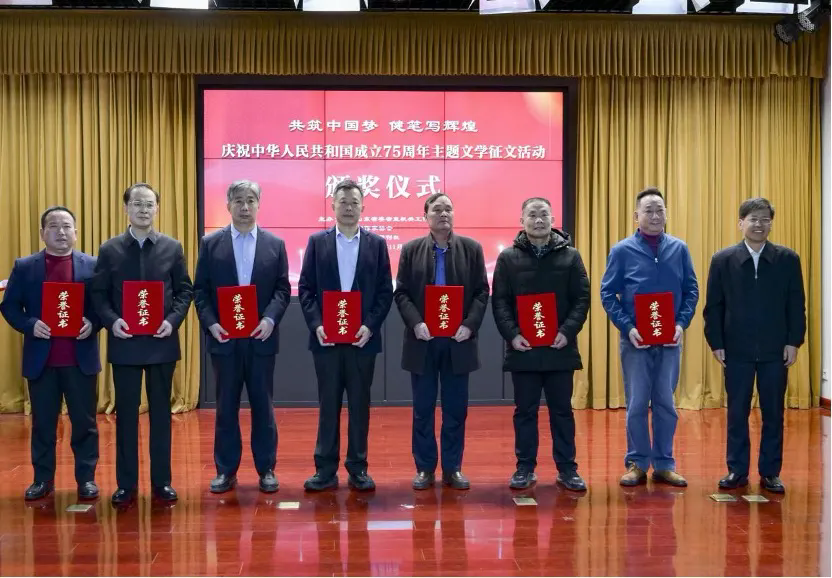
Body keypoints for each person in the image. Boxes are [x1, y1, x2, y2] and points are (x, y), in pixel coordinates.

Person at [91, 183, 193, 505]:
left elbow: (184, 291)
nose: (144, 209)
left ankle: (162, 482)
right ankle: (126, 485)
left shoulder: (172, 247)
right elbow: (99, 294)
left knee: (161, 416)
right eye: (137, 204)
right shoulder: (109, 249)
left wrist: (172, 321)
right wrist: (112, 321)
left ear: (157, 208)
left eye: (149, 204)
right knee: (126, 417)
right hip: (125, 344)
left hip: (162, 344)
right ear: (126, 209)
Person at [194, 180, 291, 494]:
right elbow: (200, 291)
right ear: (228, 205)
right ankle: (226, 471)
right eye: (238, 201)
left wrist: (270, 319)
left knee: (263, 407)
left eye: (251, 200)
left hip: (261, 339)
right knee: (226, 408)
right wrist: (211, 324)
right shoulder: (211, 243)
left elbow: (282, 289)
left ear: (259, 204)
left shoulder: (275, 244)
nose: (245, 207)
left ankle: (267, 469)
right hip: (225, 339)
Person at [703, 197, 805, 494]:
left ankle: (770, 472)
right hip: (736, 349)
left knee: (774, 412)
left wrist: (794, 341)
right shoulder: (723, 260)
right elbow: (714, 306)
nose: (759, 224)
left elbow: (796, 304)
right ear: (741, 223)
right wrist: (716, 342)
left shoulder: (787, 259)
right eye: (753, 219)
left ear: (771, 224)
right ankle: (736, 470)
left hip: (776, 350)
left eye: (765, 219)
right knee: (737, 412)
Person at [297, 179, 393, 492]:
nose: (349, 208)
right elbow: (306, 289)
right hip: (326, 340)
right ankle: (324, 470)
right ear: (333, 206)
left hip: (362, 340)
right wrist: (316, 324)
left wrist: (370, 326)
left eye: (354, 202)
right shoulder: (317, 242)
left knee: (360, 406)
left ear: (363, 207)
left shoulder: (377, 244)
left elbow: (384, 291)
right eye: (343, 202)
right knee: (328, 405)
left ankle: (358, 468)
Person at [600, 187, 698, 487]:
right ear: (636, 216)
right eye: (649, 211)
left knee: (666, 403)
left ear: (666, 214)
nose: (655, 216)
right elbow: (608, 294)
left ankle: (665, 464)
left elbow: (691, 291)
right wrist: (627, 327)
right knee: (637, 403)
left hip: (670, 342)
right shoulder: (622, 251)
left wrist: (681, 324)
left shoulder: (679, 249)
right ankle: (637, 463)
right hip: (636, 342)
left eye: (660, 210)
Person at [1, 206, 101, 501]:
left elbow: (104, 305)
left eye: (67, 226)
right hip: (42, 360)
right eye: (54, 226)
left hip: (80, 359)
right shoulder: (25, 266)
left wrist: (93, 322)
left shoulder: (92, 266)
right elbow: (9, 306)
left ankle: (86, 479)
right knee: (43, 424)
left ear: (76, 232)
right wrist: (30, 324)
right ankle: (42, 479)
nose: (61, 232)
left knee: (85, 424)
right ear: (42, 233)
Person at [491, 197, 590, 491]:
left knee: (562, 411)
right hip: (524, 349)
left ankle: (567, 469)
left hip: (560, 347)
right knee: (525, 411)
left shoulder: (571, 257)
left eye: (543, 214)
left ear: (553, 219)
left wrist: (567, 332)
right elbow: (500, 302)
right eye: (532, 215)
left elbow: (581, 298)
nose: (538, 220)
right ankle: (524, 467)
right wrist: (512, 335)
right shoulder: (508, 258)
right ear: (521, 220)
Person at [394, 192, 489, 490]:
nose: (444, 213)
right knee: (423, 409)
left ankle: (453, 468)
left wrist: (469, 325)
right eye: (437, 209)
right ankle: (424, 468)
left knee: (455, 408)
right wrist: (416, 323)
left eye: (448, 208)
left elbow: (481, 292)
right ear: (425, 216)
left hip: (458, 341)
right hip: (423, 341)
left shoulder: (472, 249)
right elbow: (402, 293)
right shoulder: (411, 250)